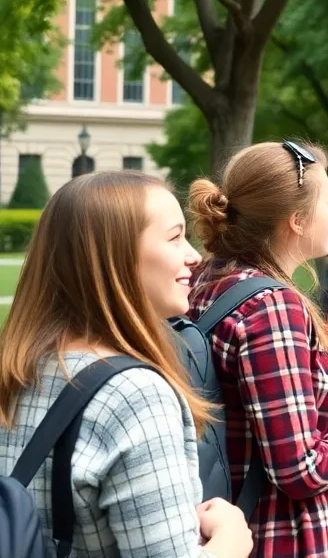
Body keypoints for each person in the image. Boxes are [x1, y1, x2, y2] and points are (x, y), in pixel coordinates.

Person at [0, 171, 253, 558]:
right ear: (113, 258)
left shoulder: (17, 368)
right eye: (174, 237)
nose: (194, 255)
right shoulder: (135, 395)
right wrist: (232, 539)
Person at [189, 142, 328, 558]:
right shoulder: (272, 306)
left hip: (224, 520)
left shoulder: (206, 279)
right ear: (297, 220)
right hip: (284, 535)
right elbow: (300, 470)